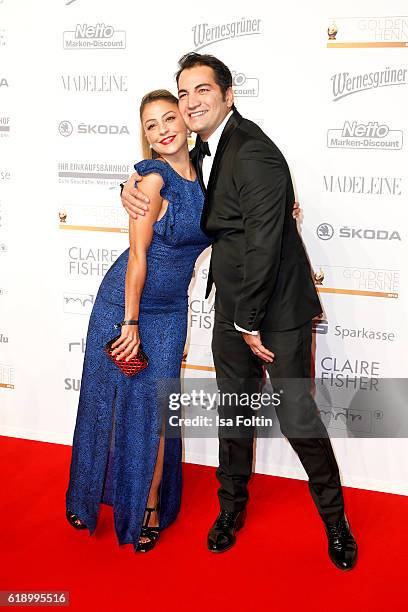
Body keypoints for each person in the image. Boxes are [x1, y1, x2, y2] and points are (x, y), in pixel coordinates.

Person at [121, 53, 358, 570]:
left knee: (296, 415)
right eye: (182, 94)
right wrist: (129, 189)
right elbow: (180, 189)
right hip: (234, 302)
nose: (190, 102)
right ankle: (231, 511)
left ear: (228, 95)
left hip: (274, 309)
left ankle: (335, 521)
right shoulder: (207, 147)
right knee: (233, 408)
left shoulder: (252, 150)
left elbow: (266, 244)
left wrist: (249, 322)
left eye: (201, 90)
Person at [65, 89, 213, 553]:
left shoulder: (206, 176)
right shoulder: (151, 180)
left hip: (170, 311)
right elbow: (138, 258)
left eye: (170, 118)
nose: (164, 129)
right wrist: (129, 323)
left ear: (187, 123)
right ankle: (85, 496)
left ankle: (148, 505)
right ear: (146, 136)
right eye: (152, 125)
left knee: (158, 412)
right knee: (103, 402)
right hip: (125, 306)